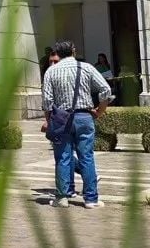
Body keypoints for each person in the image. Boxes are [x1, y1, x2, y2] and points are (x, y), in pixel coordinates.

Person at [42, 40, 112, 208]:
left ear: (58, 53)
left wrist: (49, 119)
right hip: (84, 116)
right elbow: (106, 90)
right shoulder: (86, 67)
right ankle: (91, 199)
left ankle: (62, 197)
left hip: (61, 118)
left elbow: (47, 102)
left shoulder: (51, 71)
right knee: (86, 157)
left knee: (63, 158)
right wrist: (99, 111)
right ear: (73, 51)